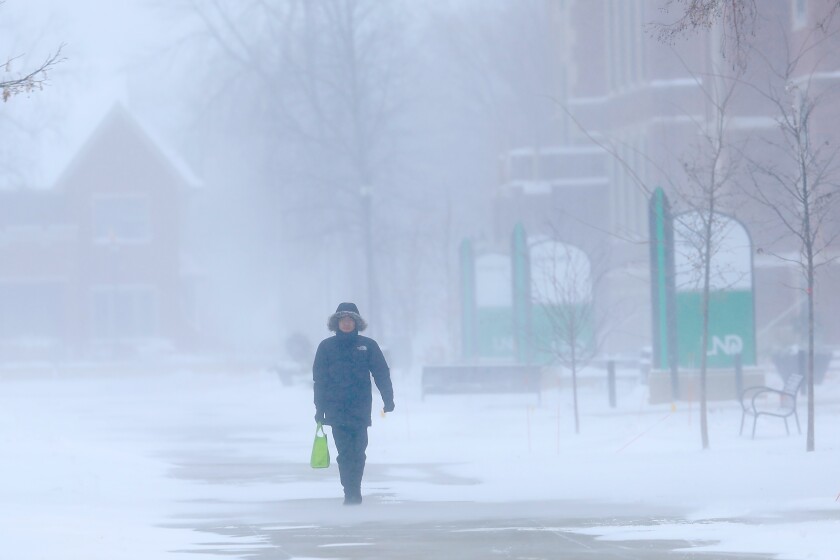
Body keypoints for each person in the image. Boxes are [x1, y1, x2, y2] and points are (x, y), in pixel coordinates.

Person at [312, 302, 394, 505]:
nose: (347, 324)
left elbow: (381, 373)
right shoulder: (326, 347)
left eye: (350, 320)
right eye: (343, 320)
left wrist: (388, 399)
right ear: (336, 323)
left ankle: (354, 487)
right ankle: (350, 492)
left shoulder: (368, 346)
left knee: (359, 452)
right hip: (336, 409)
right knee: (345, 453)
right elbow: (319, 380)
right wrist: (319, 408)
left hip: (360, 409)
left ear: (356, 323)